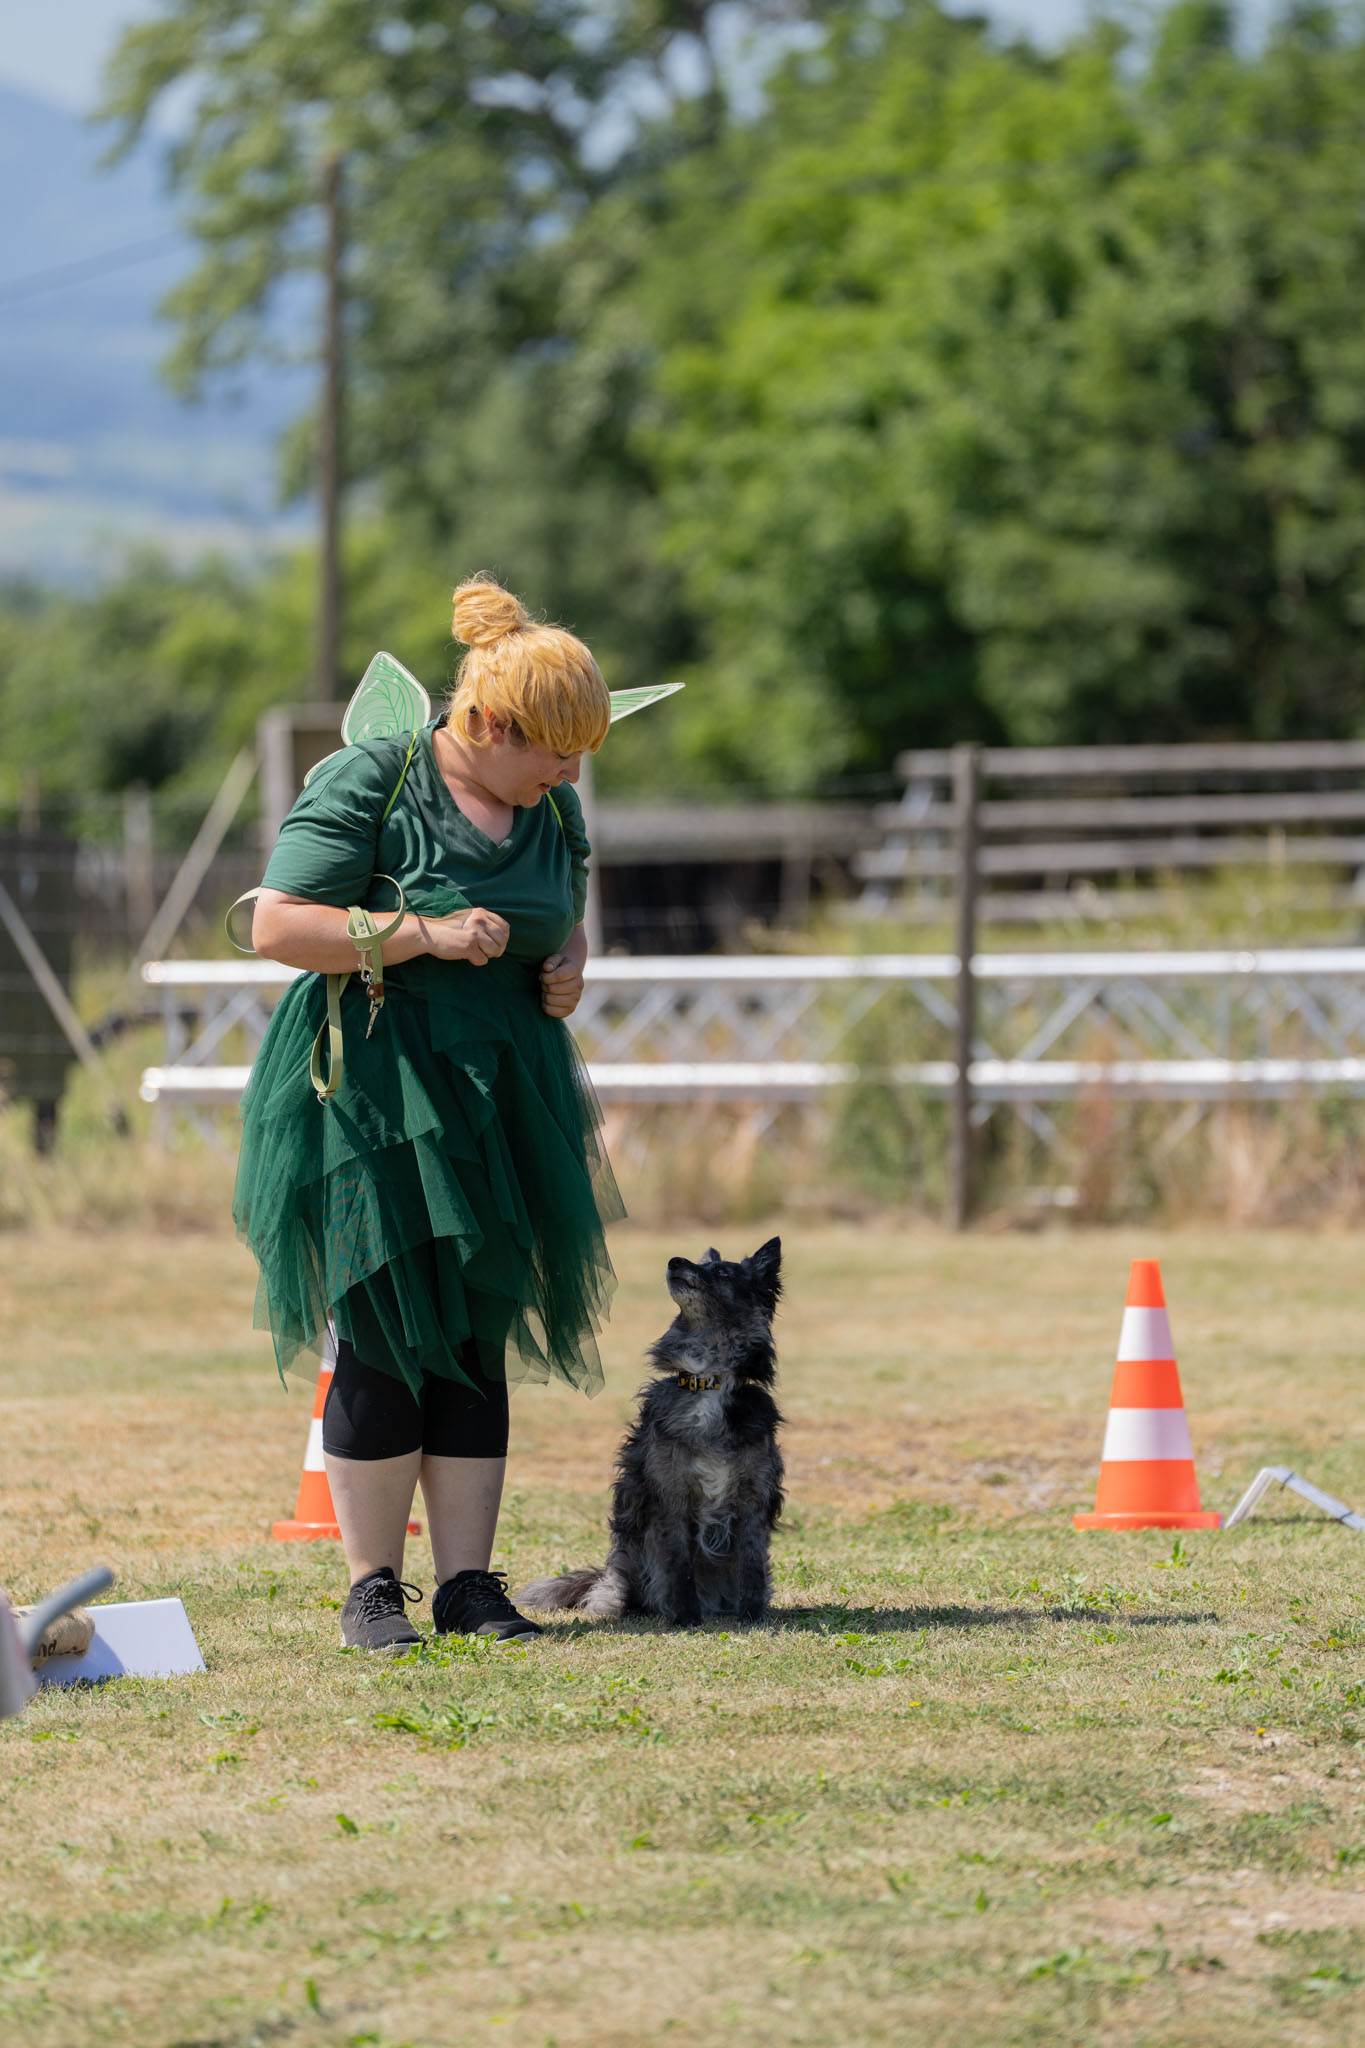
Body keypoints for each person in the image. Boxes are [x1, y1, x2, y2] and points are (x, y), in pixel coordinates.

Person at [233, 576, 622, 1650]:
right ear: (488, 723)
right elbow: (276, 923)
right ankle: (372, 1586)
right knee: (380, 1332)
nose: (570, 771)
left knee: (472, 1332)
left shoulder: (555, 807)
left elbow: (564, 915)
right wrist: (419, 935)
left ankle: (467, 1585)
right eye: (553, 747)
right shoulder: (374, 779)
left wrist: (569, 965)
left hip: (503, 1094)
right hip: (373, 1091)